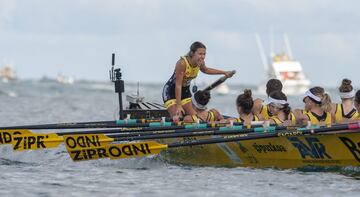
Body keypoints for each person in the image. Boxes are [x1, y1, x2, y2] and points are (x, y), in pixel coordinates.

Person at [162, 41, 234, 119]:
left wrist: (224, 73)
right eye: (200, 54)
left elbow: (206, 70)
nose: (202, 57)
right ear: (192, 53)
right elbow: (178, 85)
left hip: (184, 92)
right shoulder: (182, 63)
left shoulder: (200, 62)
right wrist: (179, 106)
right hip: (171, 92)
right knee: (177, 118)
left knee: (196, 118)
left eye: (204, 54)